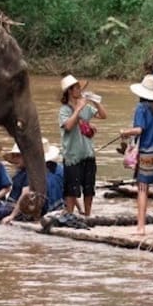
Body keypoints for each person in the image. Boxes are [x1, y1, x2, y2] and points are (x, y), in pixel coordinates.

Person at [120, 74, 153, 236]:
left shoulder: (142, 108)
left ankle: (141, 227)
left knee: (142, 188)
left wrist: (125, 132)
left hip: (148, 151)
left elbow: (139, 130)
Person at [58, 74, 107, 216]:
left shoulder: (86, 107)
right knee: (71, 190)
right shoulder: (64, 110)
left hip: (88, 153)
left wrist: (95, 101)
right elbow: (68, 126)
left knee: (89, 188)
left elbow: (103, 115)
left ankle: (88, 215)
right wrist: (78, 109)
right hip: (72, 156)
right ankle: (69, 215)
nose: (80, 90)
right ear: (69, 91)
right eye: (77, 88)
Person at [2, 139, 66, 224]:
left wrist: (12, 216)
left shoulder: (31, 173)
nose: (15, 159)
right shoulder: (59, 169)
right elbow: (70, 192)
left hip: (39, 210)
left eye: (18, 156)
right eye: (14, 156)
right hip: (55, 208)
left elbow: (25, 193)